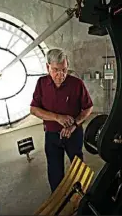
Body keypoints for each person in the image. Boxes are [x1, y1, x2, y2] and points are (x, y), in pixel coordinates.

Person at [30, 48, 93, 192]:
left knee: (78, 167)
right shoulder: (41, 83)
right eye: (55, 70)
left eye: (64, 69)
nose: (61, 75)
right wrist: (57, 117)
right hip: (51, 135)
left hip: (74, 134)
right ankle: (57, 198)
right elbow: (33, 109)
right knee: (55, 172)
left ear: (68, 65)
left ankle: (81, 195)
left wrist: (74, 125)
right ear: (47, 67)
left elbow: (88, 108)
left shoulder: (77, 84)